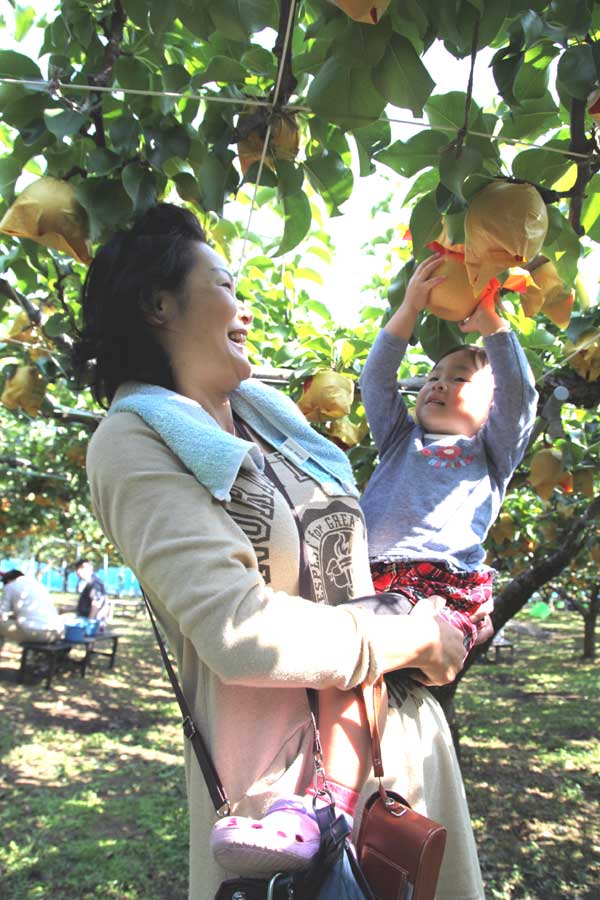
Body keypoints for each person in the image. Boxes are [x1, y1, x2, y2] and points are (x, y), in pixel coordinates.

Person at [74, 203, 488, 900]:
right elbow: (241, 630)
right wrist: (413, 632)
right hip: (277, 798)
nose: (244, 310)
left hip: (399, 747)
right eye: (227, 286)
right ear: (158, 304)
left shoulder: (279, 425)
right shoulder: (134, 437)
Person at [0, 569, 64, 644]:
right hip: (58, 632)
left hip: (37, 633)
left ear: (8, 580)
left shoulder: (10, 586)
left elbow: (2, 615)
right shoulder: (37, 585)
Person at [74, 558, 109, 623]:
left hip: (92, 621)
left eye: (82, 568)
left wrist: (89, 623)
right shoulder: (89, 583)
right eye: (77, 568)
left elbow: (96, 604)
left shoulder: (95, 583)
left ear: (91, 569)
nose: (78, 571)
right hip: (85, 618)